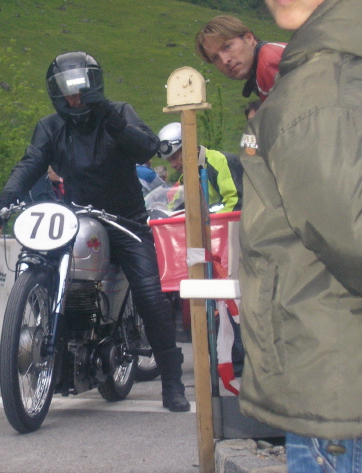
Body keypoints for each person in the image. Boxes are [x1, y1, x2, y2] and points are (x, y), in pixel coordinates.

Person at [0, 51, 190, 412]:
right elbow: (31, 162)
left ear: (94, 87)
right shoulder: (50, 127)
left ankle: (172, 383)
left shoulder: (119, 112)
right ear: (57, 93)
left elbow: (147, 149)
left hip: (126, 220)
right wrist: (5, 200)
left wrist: (111, 118)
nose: (74, 100)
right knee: (42, 264)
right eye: (66, 93)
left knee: (149, 293)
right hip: (78, 218)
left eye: (80, 92)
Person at [239, 0, 362, 470]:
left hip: (335, 375)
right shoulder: (328, 80)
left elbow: (347, 231)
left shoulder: (323, 84)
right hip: (335, 365)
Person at [195, 15, 286, 101]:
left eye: (227, 47)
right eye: (215, 58)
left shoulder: (270, 61)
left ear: (248, 38)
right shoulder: (260, 69)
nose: (225, 61)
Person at [157, 122, 243, 213]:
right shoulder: (186, 178)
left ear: (189, 147)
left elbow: (237, 203)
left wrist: (211, 224)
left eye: (174, 158)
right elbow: (173, 209)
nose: (172, 165)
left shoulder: (220, 161)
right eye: (169, 161)